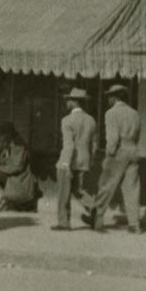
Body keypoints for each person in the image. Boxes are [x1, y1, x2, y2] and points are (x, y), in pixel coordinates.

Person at [82, 84, 142, 234]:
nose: (108, 99)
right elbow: (138, 135)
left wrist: (109, 154)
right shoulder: (135, 113)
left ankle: (98, 220)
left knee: (106, 186)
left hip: (118, 151)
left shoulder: (111, 113)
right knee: (132, 189)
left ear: (115, 97)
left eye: (110, 96)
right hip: (133, 150)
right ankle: (134, 224)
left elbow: (112, 138)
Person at [53, 87, 97, 231]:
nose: (67, 102)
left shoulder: (66, 120)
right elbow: (94, 144)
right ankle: (95, 208)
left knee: (63, 191)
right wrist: (90, 160)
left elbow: (69, 145)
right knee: (79, 190)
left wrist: (65, 163)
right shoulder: (91, 120)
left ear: (75, 102)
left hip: (69, 160)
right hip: (84, 159)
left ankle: (63, 222)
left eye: (69, 100)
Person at [0, 123, 38, 212]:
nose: (1, 137)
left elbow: (17, 167)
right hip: (11, 175)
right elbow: (5, 159)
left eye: (3, 135)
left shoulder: (18, 144)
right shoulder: (8, 143)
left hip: (19, 178)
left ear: (8, 134)